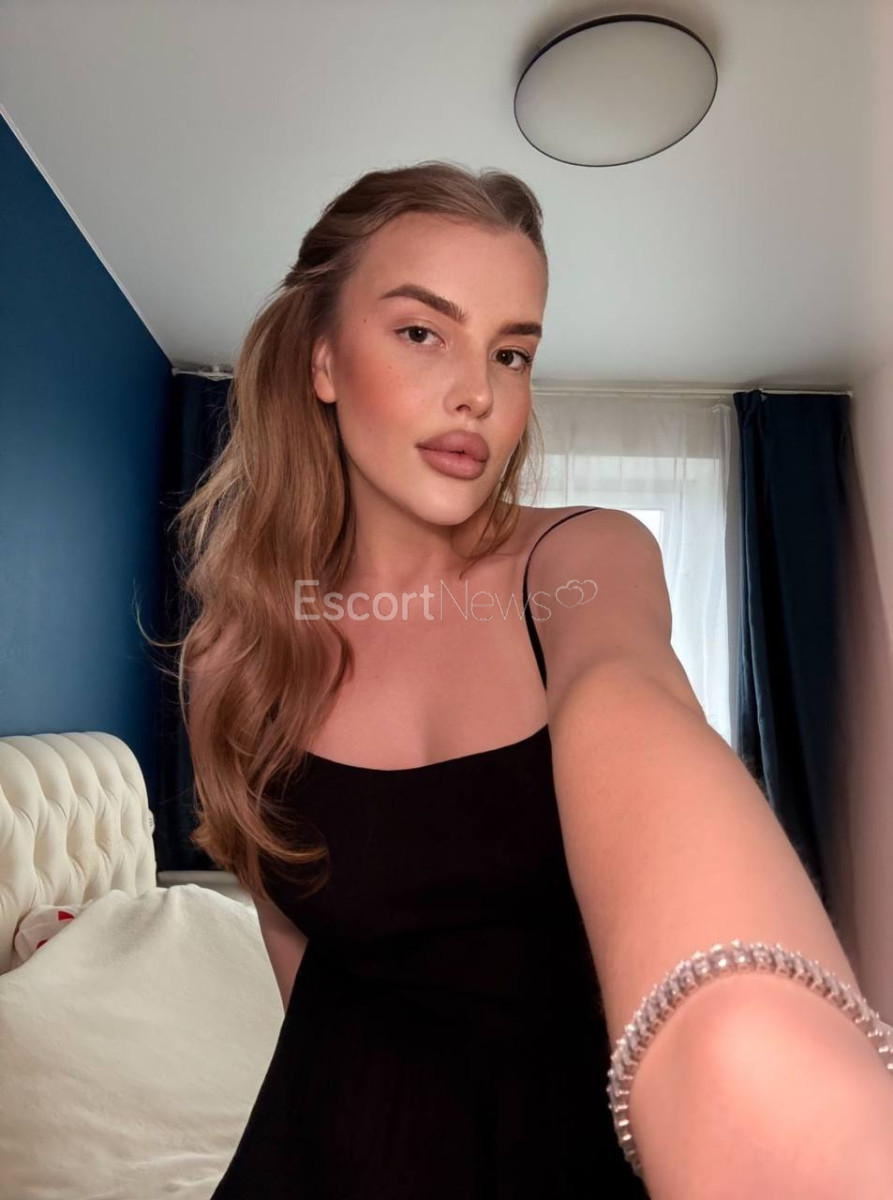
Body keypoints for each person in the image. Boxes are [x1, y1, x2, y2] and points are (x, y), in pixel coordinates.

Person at [170, 162, 893, 1199]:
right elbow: (289, 931)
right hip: (329, 1135)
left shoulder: (582, 560)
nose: (480, 390)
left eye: (511, 352)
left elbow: (626, 696)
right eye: (422, 332)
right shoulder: (230, 661)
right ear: (322, 361)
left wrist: (751, 1049)